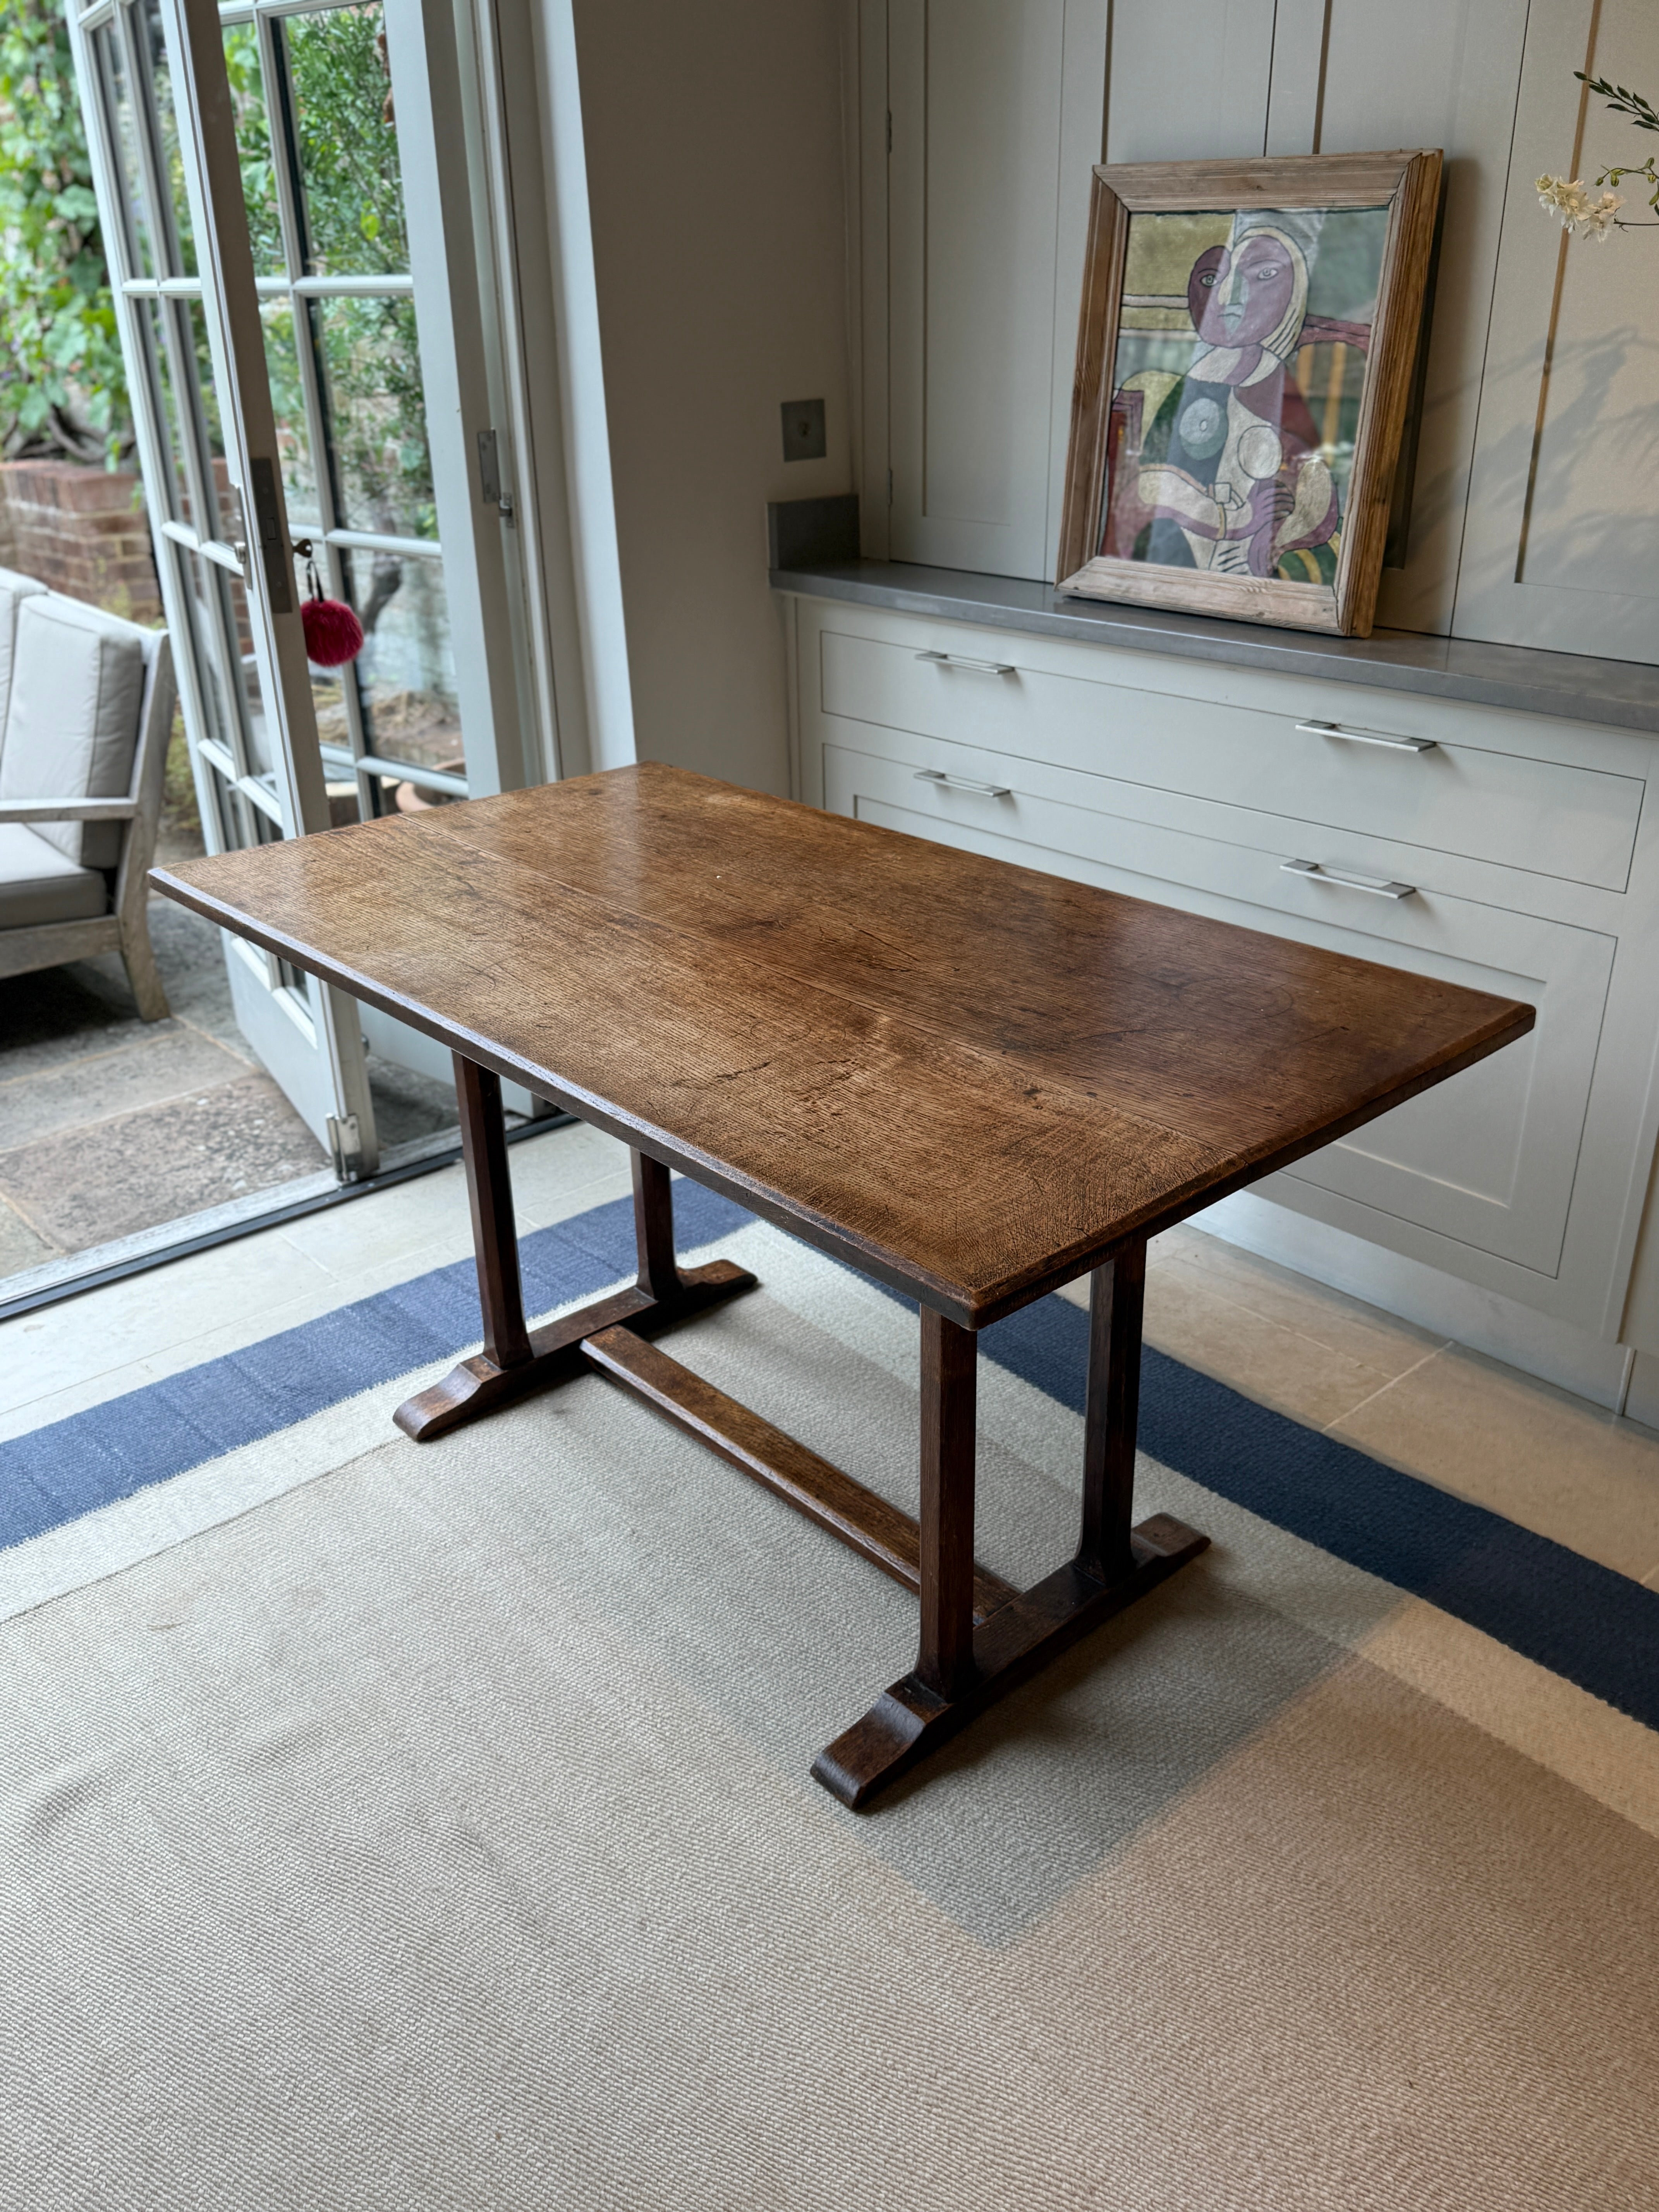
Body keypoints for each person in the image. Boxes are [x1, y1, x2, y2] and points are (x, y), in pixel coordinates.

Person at [1101, 215, 1348, 582]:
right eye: (1212, 279)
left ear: (1294, 293)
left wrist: (1273, 543)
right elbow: (1133, 497)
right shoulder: (1151, 391)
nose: (1230, 297)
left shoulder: (1299, 392)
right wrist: (1231, 520)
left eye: (1264, 275)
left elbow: (1321, 513)